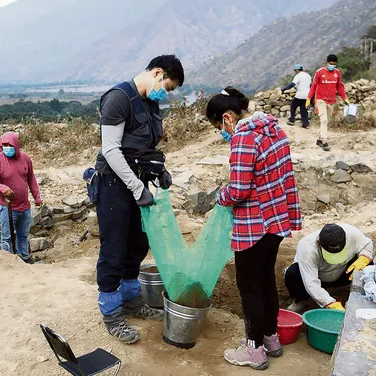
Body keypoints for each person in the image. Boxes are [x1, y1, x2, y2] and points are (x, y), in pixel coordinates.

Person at [206, 86, 302, 371]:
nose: (223, 133)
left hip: (254, 226)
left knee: (249, 286)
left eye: (219, 127)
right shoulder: (274, 129)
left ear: (227, 117)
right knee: (266, 280)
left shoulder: (244, 137)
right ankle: (271, 339)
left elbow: (238, 191)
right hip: (277, 222)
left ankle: (254, 350)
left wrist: (219, 196)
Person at [93, 55, 185, 344]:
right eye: (167, 87)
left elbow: (144, 148)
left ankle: (133, 301)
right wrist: (136, 188)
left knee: (137, 243)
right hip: (114, 184)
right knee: (114, 248)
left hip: (138, 183)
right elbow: (111, 150)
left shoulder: (150, 102)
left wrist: (160, 171)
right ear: (157, 73)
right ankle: (111, 313)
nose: (165, 93)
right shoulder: (119, 98)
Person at [284, 223, 374, 313]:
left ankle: (365, 298)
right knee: (293, 273)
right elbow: (311, 284)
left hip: (343, 273)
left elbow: (367, 244)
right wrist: (330, 303)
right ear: (319, 244)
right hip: (319, 277)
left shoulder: (352, 233)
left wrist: (364, 258)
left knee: (368, 265)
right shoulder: (307, 248)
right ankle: (302, 299)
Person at [0, 131, 42, 265]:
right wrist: (2, 189)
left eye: (9, 145)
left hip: (24, 206)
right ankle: (8, 262)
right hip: (7, 207)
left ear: (16, 145)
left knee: (22, 235)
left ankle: (24, 257)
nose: (6, 147)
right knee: (7, 236)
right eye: (4, 145)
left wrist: (37, 197)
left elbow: (31, 179)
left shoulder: (25, 159)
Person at [306, 54, 350, 151]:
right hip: (321, 100)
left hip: (332, 101)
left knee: (327, 121)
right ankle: (324, 141)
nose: (332, 66)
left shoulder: (337, 73)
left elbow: (339, 86)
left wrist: (345, 98)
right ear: (326, 63)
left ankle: (319, 139)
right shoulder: (319, 72)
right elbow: (313, 86)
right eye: (330, 64)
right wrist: (309, 99)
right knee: (324, 120)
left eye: (334, 64)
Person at [277, 64, 311, 128]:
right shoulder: (308, 75)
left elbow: (292, 84)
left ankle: (291, 120)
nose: (295, 72)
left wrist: (283, 89)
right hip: (307, 95)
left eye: (295, 71)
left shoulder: (298, 75)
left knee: (293, 105)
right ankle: (305, 124)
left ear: (297, 70)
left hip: (300, 95)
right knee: (304, 110)